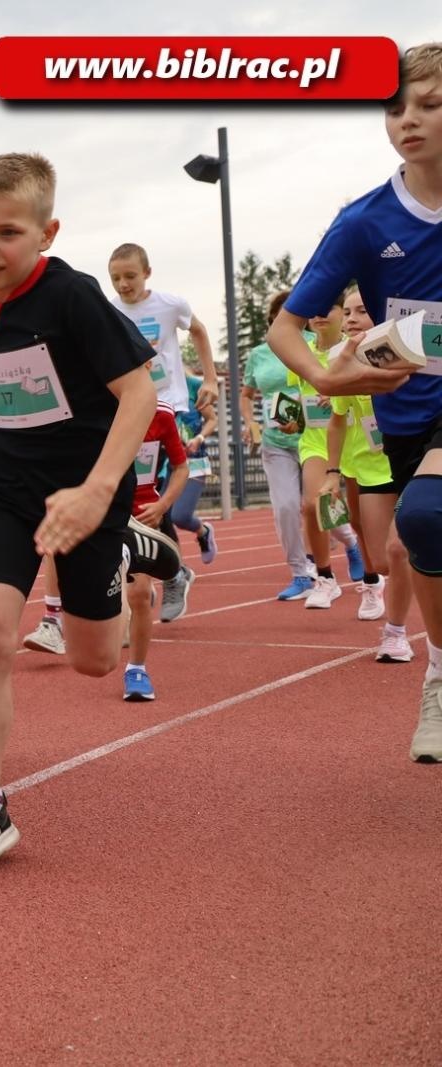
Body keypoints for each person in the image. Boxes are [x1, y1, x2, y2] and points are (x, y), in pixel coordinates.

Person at [0, 153, 181, 878]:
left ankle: (126, 546)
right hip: (7, 486)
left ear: (47, 232)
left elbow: (137, 396)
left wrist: (101, 493)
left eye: (7, 232)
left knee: (93, 661)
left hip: (87, 489)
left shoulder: (74, 298)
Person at [267, 42, 442, 763]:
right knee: (408, 541)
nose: (409, 120)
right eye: (395, 107)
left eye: (429, 104)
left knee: (427, 514)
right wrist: (329, 379)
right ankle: (438, 669)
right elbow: (283, 329)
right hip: (405, 410)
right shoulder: (365, 223)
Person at [107, 243, 217, 621]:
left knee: (153, 491)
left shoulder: (170, 305)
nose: (123, 285)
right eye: (116, 278)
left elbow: (200, 331)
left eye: (130, 276)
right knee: (138, 491)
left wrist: (210, 379)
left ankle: (170, 573)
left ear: (147, 273)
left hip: (166, 401)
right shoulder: (109, 310)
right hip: (127, 403)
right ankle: (165, 571)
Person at [325, 286, 414, 654]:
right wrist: (332, 471)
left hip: (413, 460)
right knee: (380, 560)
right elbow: (336, 421)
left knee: (398, 550)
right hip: (371, 467)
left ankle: (396, 634)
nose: (351, 319)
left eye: (361, 310)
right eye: (347, 312)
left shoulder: (412, 355)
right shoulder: (345, 362)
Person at [288, 301, 370, 609]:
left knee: (363, 520)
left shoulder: (359, 347)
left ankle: (372, 576)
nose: (319, 315)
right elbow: (300, 397)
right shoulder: (300, 353)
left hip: (357, 437)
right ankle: (325, 577)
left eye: (328, 309)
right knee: (311, 505)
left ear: (341, 315)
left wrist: (336, 391)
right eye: (314, 310)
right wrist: (293, 419)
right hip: (317, 441)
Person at [242, 290, 316, 600]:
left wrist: (304, 413)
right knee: (286, 507)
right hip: (275, 441)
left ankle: (351, 545)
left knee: (319, 507)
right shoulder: (259, 354)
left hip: (314, 437)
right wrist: (250, 423)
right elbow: (246, 395)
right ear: (273, 318)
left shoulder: (314, 343)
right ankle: (301, 573)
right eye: (281, 312)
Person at [124, 383, 189, 700]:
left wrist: (162, 506)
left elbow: (181, 467)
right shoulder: (88, 407)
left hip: (142, 514)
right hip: (98, 510)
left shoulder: (161, 414)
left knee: (136, 594)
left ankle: (136, 669)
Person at [160, 368, 220, 623]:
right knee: (160, 518)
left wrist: (198, 437)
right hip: (163, 463)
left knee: (180, 516)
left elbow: (212, 419)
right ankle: (176, 573)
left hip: (193, 460)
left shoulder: (193, 385)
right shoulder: (154, 384)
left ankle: (203, 532)